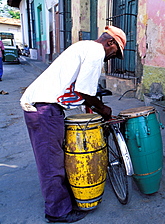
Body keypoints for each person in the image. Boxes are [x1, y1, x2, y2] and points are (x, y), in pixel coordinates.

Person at [20, 26, 126, 223]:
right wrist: (103, 109)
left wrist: (93, 104)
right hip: (44, 109)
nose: (112, 57)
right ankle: (57, 212)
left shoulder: (84, 47)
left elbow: (80, 90)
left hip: (45, 107)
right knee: (51, 164)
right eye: (115, 53)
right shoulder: (96, 52)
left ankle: (64, 200)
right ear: (110, 43)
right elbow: (85, 91)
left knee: (55, 159)